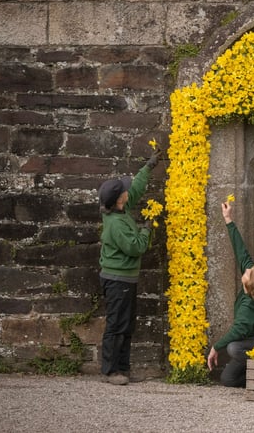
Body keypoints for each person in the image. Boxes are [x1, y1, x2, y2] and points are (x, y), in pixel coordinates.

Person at [97, 149, 160, 385]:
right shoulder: (116, 225)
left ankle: (122, 368)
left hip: (125, 279)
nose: (127, 191)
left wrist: (148, 167)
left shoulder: (118, 209)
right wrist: (146, 228)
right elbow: (136, 248)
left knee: (127, 324)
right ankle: (111, 371)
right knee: (117, 324)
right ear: (118, 200)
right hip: (117, 279)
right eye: (123, 191)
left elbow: (135, 189)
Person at [206, 201, 254, 387]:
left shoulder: (251, 308)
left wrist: (215, 347)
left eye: (248, 273)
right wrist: (228, 220)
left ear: (249, 288)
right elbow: (241, 252)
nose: (247, 270)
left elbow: (237, 331)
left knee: (233, 348)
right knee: (228, 380)